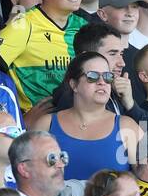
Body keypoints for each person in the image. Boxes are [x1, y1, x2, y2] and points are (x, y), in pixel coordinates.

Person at [30, 52, 140, 182]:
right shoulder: (46, 124)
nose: (102, 82)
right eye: (92, 76)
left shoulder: (127, 126)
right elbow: (29, 175)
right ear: (74, 85)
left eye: (107, 76)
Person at [0, 0, 88, 111]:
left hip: (79, 123)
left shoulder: (85, 28)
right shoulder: (23, 25)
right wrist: (20, 117)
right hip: (37, 130)